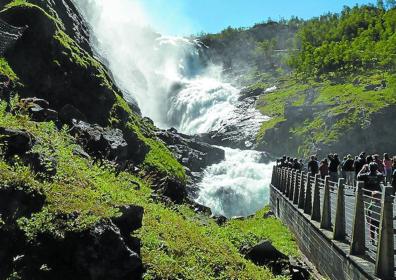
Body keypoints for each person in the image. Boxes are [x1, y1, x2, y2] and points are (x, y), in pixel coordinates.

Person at [357, 162, 384, 244]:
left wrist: (363, 169)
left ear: (369, 168)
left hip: (367, 195)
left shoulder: (365, 175)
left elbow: (358, 176)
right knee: (378, 211)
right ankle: (378, 231)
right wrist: (376, 170)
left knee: (369, 211)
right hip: (377, 197)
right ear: (376, 168)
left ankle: (370, 223)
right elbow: (382, 176)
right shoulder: (379, 175)